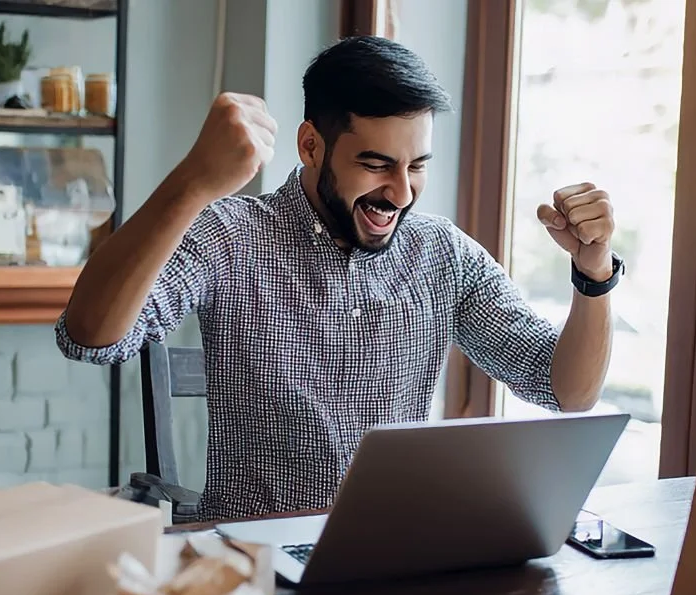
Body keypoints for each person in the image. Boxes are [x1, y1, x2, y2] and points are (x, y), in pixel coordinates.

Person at [56, 36, 621, 521]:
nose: (401, 193)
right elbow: (88, 338)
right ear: (311, 146)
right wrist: (193, 184)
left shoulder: (442, 254)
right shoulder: (228, 235)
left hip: (393, 561)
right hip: (258, 566)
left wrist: (593, 274)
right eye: (377, 164)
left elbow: (567, 392)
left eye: (417, 166)